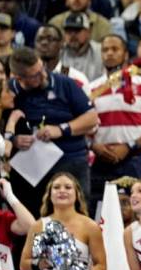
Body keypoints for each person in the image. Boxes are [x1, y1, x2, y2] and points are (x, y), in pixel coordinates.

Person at [6, 173, 122, 270]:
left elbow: (101, 265)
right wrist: (39, 264)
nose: (62, 190)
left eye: (68, 187)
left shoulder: (90, 226)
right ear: (49, 194)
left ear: (77, 194)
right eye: (56, 187)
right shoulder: (39, 225)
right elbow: (24, 266)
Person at [9, 48, 99, 218]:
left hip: (69, 159)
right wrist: (13, 140)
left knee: (77, 214)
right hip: (30, 166)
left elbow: (92, 118)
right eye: (35, 74)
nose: (43, 75)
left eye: (42, 68)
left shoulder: (64, 83)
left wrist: (61, 129)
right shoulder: (10, 91)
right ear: (19, 78)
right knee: (33, 216)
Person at [88, 35, 141, 180]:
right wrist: (94, 146)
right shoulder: (91, 89)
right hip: (101, 160)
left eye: (115, 49)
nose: (109, 53)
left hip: (134, 159)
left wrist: (128, 147)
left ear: (126, 54)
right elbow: (85, 130)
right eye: (105, 50)